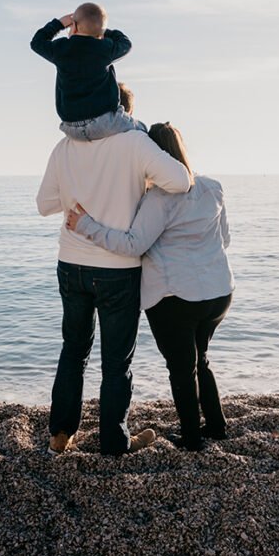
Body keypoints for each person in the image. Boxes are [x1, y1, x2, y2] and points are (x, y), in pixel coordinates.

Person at [36, 93, 192, 456]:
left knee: (73, 350)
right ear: (125, 110)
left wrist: (80, 189)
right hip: (118, 270)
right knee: (116, 362)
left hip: (71, 263)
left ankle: (60, 433)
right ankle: (113, 441)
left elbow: (44, 204)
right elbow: (182, 181)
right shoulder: (135, 141)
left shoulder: (64, 146)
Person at [67, 123, 234, 451]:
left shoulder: (159, 198)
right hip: (218, 293)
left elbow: (132, 245)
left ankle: (191, 439)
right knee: (201, 360)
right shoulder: (212, 187)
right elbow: (225, 239)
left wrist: (86, 225)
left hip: (177, 298)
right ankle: (217, 427)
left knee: (182, 370)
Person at [30, 3, 145, 141]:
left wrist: (59, 23)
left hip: (70, 126)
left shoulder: (61, 48)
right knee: (142, 128)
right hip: (104, 123)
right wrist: (101, 30)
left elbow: (37, 42)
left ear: (75, 26)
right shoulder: (105, 48)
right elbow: (125, 43)